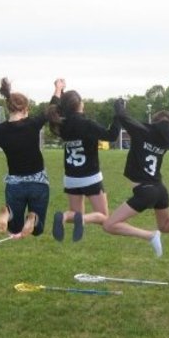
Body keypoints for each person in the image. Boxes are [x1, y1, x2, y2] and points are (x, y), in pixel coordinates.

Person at [102, 86, 169, 257]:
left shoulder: (142, 131)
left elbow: (122, 116)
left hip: (146, 190)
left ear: (154, 122)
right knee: (166, 225)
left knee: (109, 225)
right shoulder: (168, 136)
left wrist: (119, 103)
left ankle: (150, 235)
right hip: (160, 189)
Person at [0, 77, 64, 240]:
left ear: (9, 108)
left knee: (14, 228)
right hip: (38, 182)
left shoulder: (0, 131)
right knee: (37, 230)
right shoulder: (33, 123)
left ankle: (7, 212)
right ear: (25, 108)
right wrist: (58, 88)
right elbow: (53, 107)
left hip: (15, 184)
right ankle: (33, 218)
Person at [47, 82, 121, 242]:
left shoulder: (61, 124)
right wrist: (119, 114)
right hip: (90, 176)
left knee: (75, 214)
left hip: (71, 178)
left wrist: (58, 90)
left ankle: (65, 216)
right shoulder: (87, 124)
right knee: (103, 216)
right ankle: (84, 219)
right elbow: (112, 136)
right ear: (80, 104)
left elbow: (52, 110)